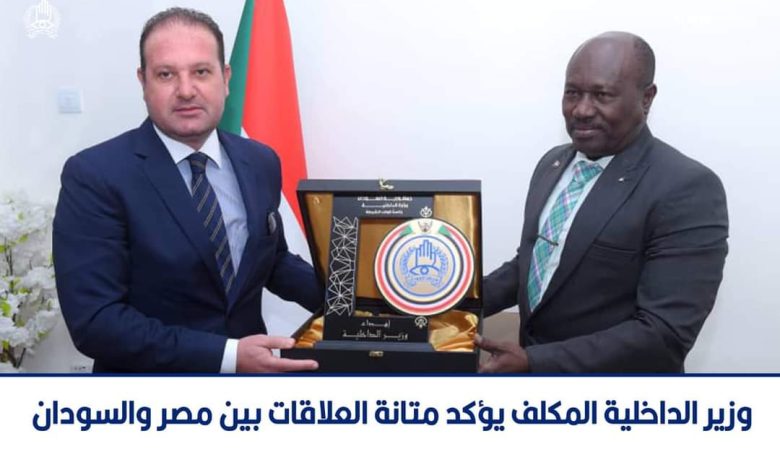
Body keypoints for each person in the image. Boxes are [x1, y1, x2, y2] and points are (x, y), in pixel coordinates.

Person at [53, 8, 322, 373]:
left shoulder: (260, 160)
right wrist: (227, 356)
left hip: (249, 393)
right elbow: (96, 322)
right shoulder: (95, 175)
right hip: (149, 395)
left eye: (201, 72)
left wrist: (361, 300)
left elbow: (271, 260)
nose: (185, 90)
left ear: (226, 78)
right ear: (143, 81)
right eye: (166, 74)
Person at [476, 32, 728, 372]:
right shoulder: (552, 163)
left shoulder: (687, 188)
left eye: (602, 95)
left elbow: (664, 334)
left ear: (646, 98)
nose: (581, 110)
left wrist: (535, 361)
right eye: (572, 93)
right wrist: (451, 301)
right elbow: (534, 263)